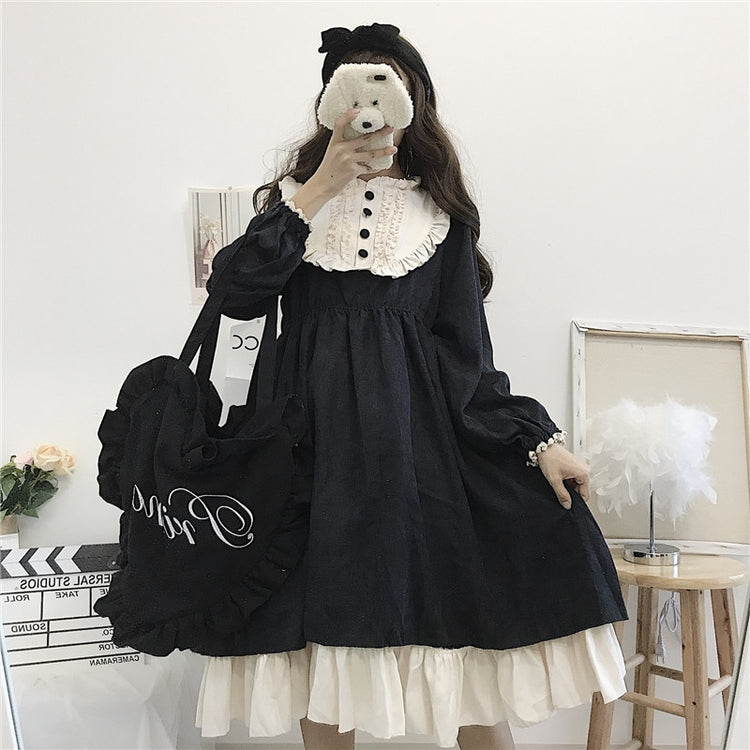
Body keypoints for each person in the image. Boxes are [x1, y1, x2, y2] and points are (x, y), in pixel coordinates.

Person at [194, 22, 628, 750]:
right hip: (310, 457)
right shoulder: (294, 208)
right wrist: (321, 185)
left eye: (387, 94)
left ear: (414, 104)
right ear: (330, 108)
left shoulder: (439, 219)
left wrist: (537, 442)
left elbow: (468, 360)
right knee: (317, 651)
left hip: (421, 457)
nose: (370, 114)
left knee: (464, 639)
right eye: (352, 96)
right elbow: (234, 293)